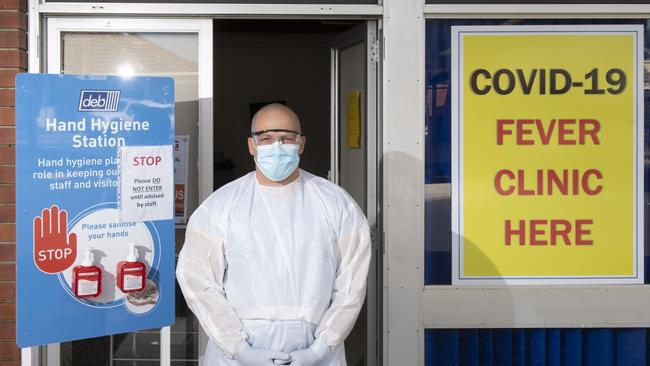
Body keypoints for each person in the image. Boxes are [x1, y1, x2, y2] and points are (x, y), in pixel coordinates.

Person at [176, 103, 371, 366]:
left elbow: (351, 287)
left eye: (286, 138)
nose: (277, 146)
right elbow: (198, 281)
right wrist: (239, 349)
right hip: (236, 354)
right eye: (266, 138)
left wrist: (320, 350)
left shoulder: (337, 204)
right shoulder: (220, 206)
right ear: (251, 145)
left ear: (301, 144)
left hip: (315, 352)